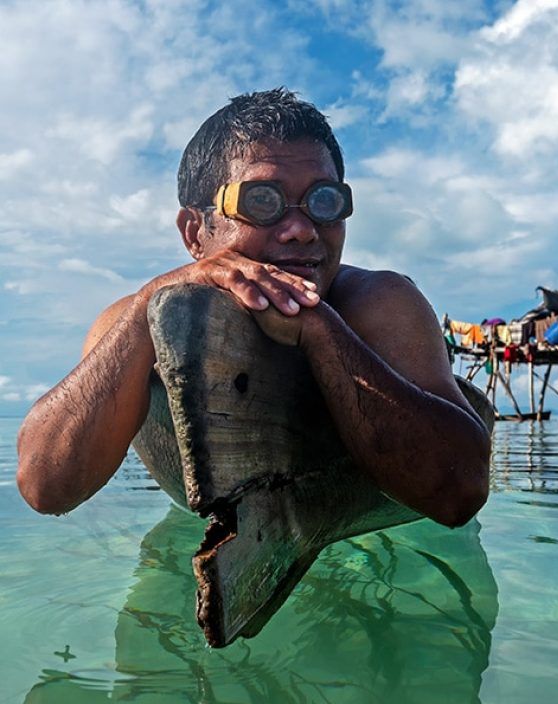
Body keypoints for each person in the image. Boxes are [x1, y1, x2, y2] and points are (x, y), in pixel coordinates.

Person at [16, 88, 490, 527]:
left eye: (323, 201)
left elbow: (458, 494)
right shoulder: (135, 319)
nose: (302, 229)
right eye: (263, 200)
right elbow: (45, 488)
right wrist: (145, 312)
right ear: (194, 232)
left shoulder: (376, 302)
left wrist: (322, 332)